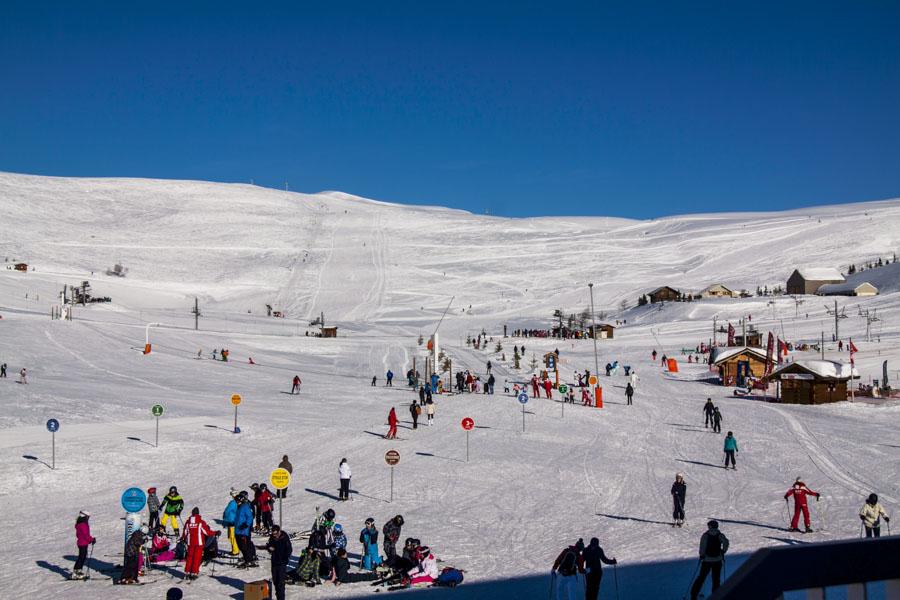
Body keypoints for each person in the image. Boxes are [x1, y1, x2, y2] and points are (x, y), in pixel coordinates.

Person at [690, 521, 729, 600]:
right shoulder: (720, 535)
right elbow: (726, 542)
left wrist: (702, 555)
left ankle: (693, 595)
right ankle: (715, 596)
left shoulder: (705, 535)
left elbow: (702, 547)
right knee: (716, 579)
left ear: (710, 526)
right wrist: (723, 551)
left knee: (701, 578)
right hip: (717, 560)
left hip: (707, 560)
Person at [182, 507, 219, 580]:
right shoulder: (200, 522)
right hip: (199, 542)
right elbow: (207, 532)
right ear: (198, 513)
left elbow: (185, 532)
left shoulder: (188, 522)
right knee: (197, 557)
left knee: (190, 557)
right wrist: (215, 532)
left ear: (192, 513)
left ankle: (187, 572)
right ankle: (194, 573)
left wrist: (183, 538)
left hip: (190, 542)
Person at [266, 525, 293, 600]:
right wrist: (269, 548)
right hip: (274, 562)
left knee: (280, 583)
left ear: (279, 532)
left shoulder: (284, 538)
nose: (275, 536)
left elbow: (289, 550)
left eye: (276, 534)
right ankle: (278, 596)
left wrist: (285, 558)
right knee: (275, 581)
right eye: (273, 534)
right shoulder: (272, 537)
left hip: (282, 563)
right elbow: (269, 545)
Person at [234, 491, 258, 568]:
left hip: (243, 531)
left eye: (237, 501)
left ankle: (249, 560)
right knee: (241, 547)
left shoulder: (245, 507)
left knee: (244, 547)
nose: (236, 502)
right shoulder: (238, 507)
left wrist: (246, 524)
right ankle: (247, 559)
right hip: (237, 530)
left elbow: (250, 517)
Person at [71, 511, 96, 580]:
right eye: (88, 517)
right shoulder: (83, 525)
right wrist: (91, 540)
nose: (88, 518)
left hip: (82, 542)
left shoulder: (80, 524)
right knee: (82, 557)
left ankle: (77, 571)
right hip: (83, 543)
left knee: (82, 557)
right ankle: (76, 572)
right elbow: (86, 535)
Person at [222, 490, 240, 555]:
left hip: (232, 521)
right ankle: (235, 549)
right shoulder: (238, 502)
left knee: (232, 536)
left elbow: (227, 511)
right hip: (234, 521)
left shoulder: (233, 502)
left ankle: (235, 550)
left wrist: (224, 519)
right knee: (232, 536)